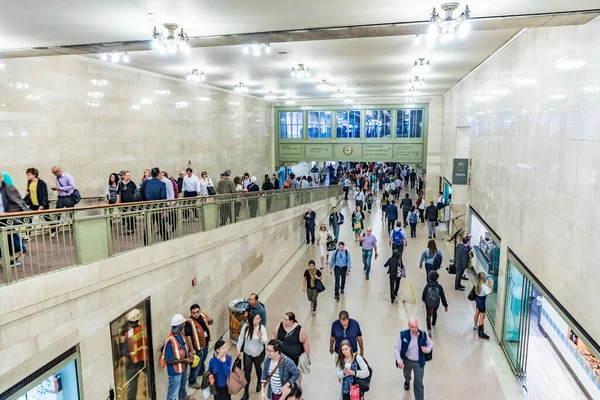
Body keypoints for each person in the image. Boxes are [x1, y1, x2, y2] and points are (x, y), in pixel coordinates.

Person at [394, 319, 433, 400]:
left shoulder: (423, 335)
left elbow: (430, 344)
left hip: (419, 362)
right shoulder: (403, 335)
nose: (414, 329)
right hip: (407, 360)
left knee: (418, 382)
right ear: (408, 326)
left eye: (416, 327)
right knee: (406, 374)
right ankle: (407, 380)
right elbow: (397, 348)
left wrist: (427, 349)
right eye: (412, 327)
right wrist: (399, 360)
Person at [161, 314, 194, 400]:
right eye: (183, 323)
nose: (184, 325)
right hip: (175, 372)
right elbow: (168, 361)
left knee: (183, 386)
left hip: (183, 367)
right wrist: (184, 361)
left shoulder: (180, 334)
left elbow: (182, 348)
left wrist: (188, 354)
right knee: (173, 392)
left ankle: (183, 397)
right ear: (180, 326)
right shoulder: (170, 341)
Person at [238, 311, 268, 400]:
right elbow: (241, 338)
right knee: (247, 373)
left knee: (258, 368)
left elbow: (266, 341)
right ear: (251, 320)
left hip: (258, 353)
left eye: (259, 318)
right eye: (257, 319)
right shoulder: (246, 327)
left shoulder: (261, 328)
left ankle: (259, 381)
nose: (259, 320)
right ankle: (246, 393)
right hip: (247, 353)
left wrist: (260, 337)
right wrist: (238, 349)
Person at [184, 304, 214, 389]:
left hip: (205, 343)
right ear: (191, 313)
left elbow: (210, 323)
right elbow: (188, 337)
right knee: (196, 364)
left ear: (200, 311)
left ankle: (201, 371)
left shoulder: (203, 316)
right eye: (194, 313)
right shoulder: (189, 323)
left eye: (197, 312)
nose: (196, 314)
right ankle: (192, 381)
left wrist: (211, 320)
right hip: (196, 347)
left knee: (204, 358)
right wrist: (192, 349)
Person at [140, 168, 168, 243]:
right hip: (158, 207)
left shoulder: (145, 183)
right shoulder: (162, 184)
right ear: (159, 174)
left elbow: (141, 193)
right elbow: (163, 197)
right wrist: (164, 209)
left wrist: (144, 204)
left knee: (148, 226)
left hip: (149, 206)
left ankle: (146, 242)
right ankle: (166, 241)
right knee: (162, 225)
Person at [50, 166, 78, 238]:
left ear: (59, 171)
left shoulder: (68, 176)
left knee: (71, 214)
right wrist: (56, 189)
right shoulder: (57, 178)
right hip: (61, 198)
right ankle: (55, 231)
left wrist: (60, 188)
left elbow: (72, 186)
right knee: (57, 214)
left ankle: (75, 228)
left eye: (55, 173)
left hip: (68, 197)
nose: (54, 174)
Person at [422, 271, 448, 336]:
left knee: (428, 315)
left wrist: (424, 300)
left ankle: (429, 329)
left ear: (429, 278)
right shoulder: (439, 287)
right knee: (434, 312)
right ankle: (433, 323)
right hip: (436, 302)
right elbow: (442, 296)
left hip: (428, 302)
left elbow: (423, 296)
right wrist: (445, 305)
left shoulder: (427, 286)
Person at [473, 272, 493, 340]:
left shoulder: (477, 283)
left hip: (477, 299)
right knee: (482, 316)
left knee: (477, 313)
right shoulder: (484, 286)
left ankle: (475, 326)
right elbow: (491, 292)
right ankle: (481, 333)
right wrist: (491, 284)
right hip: (482, 301)